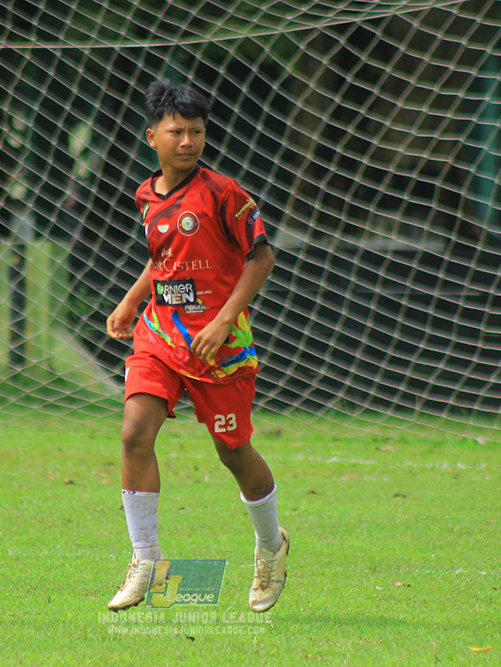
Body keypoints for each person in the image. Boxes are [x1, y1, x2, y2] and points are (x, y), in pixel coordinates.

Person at [105, 80, 288, 613]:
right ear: (152, 137)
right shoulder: (145, 195)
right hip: (162, 334)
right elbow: (164, 260)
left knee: (233, 451)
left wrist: (224, 319)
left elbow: (262, 258)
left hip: (220, 347)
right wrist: (132, 299)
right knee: (135, 432)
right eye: (177, 131)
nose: (188, 141)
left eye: (197, 132)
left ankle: (271, 548)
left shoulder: (224, 193)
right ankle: (146, 561)